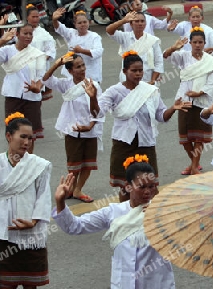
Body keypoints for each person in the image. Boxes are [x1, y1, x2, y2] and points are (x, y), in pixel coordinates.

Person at [52, 157, 176, 289]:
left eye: (151, 186)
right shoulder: (113, 212)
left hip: (156, 283)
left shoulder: (163, 212)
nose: (147, 191)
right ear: (128, 187)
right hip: (123, 283)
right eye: (142, 187)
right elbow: (74, 226)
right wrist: (60, 202)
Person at [87, 52, 191, 202]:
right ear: (124, 72)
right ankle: (125, 217)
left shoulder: (149, 90)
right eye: (134, 70)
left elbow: (161, 116)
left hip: (145, 143)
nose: (138, 74)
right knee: (125, 186)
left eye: (140, 70)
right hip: (124, 143)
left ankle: (149, 216)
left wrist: (173, 108)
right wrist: (92, 98)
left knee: (151, 185)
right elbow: (97, 113)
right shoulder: (114, 92)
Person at [42, 52, 104, 203]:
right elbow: (45, 80)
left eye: (83, 65)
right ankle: (72, 188)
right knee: (74, 165)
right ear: (70, 71)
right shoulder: (66, 85)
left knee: (88, 165)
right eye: (78, 67)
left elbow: (98, 111)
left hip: (89, 130)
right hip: (72, 131)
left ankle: (77, 190)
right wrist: (57, 64)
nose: (82, 69)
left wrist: (93, 98)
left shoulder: (93, 85)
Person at [0, 113, 52, 288]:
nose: (27, 142)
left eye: (30, 138)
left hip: (31, 236)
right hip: (3, 235)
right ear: (9, 136)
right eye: (22, 137)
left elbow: (43, 196)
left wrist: (33, 221)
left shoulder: (39, 165)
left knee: (31, 284)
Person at [163, 28, 213, 176]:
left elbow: (211, 82)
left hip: (202, 103)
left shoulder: (210, 61)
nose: (198, 45)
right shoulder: (183, 57)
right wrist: (173, 47)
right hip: (184, 101)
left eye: (200, 42)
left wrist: (199, 93)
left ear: (204, 43)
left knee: (199, 138)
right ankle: (194, 165)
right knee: (185, 139)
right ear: (190, 43)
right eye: (195, 42)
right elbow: (165, 56)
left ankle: (194, 166)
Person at [0, 25, 47, 154]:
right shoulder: (7, 50)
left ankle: (27, 162)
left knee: (29, 134)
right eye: (25, 33)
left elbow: (41, 76)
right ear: (17, 34)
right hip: (13, 96)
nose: (28, 37)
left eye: (30, 34)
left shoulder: (36, 54)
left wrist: (37, 88)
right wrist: (2, 40)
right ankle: (13, 161)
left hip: (32, 99)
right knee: (13, 132)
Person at [106, 11, 164, 84]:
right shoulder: (125, 37)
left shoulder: (153, 40)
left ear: (145, 23)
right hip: (127, 81)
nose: (140, 23)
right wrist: (123, 21)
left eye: (142, 21)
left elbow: (159, 62)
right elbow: (109, 30)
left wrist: (152, 80)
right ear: (131, 24)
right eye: (136, 21)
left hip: (147, 81)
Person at [52, 9, 104, 83]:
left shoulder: (94, 36)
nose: (82, 24)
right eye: (79, 23)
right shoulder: (71, 34)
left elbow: (98, 52)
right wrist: (54, 20)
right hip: (74, 74)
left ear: (89, 22)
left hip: (90, 73)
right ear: (75, 24)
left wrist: (81, 51)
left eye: (84, 22)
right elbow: (60, 28)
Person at [26, 4, 56, 101]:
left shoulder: (44, 33)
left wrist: (41, 58)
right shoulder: (20, 31)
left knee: (35, 99)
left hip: (39, 69)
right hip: (23, 67)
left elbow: (51, 50)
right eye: (33, 17)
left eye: (37, 16)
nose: (35, 19)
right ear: (27, 18)